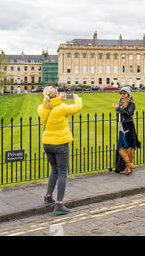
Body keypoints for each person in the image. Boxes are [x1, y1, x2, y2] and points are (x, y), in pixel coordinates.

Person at [38, 86, 82, 215]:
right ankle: (59, 204)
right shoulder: (61, 108)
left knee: (54, 170)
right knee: (62, 173)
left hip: (47, 143)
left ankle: (48, 196)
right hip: (60, 143)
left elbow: (50, 105)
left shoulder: (41, 108)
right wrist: (77, 98)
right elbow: (77, 107)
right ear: (56, 95)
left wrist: (58, 99)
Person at [113, 86, 141, 175]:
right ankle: (129, 164)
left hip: (127, 128)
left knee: (128, 148)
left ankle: (128, 168)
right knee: (119, 148)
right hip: (121, 128)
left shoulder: (131, 103)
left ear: (128, 93)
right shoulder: (121, 101)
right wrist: (119, 108)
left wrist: (118, 108)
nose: (122, 94)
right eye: (121, 93)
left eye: (124, 93)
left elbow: (129, 114)